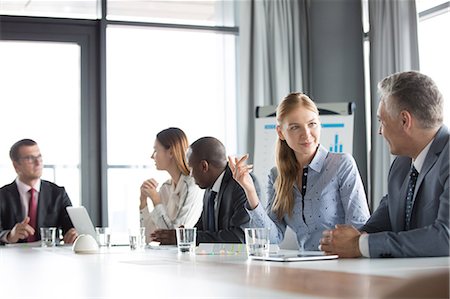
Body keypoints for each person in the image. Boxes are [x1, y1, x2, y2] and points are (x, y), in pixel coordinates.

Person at [319, 71, 449, 258]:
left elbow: (445, 239)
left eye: (382, 121)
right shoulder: (402, 165)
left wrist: (360, 245)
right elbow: (385, 218)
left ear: (405, 120)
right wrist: (352, 238)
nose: (380, 131)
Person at [229, 92, 370, 251]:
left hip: (343, 266)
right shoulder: (276, 176)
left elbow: (359, 227)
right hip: (304, 267)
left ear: (319, 123)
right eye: (295, 127)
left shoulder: (342, 164)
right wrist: (250, 191)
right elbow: (273, 237)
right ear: (280, 132)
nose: (306, 134)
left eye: (312, 124)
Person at [151, 137, 251, 244]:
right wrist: (184, 234)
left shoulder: (241, 184)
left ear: (204, 166)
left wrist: (186, 238)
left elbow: (240, 237)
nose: (190, 174)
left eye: (191, 169)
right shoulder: (210, 188)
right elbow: (202, 229)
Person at [0, 139, 78, 244]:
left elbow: (70, 226)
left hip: (49, 256)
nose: (38, 163)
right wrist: (9, 236)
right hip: (12, 257)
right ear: (16, 165)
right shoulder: (2, 196)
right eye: (30, 158)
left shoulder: (57, 193)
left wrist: (74, 233)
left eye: (39, 157)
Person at [139, 127, 203, 242]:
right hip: (168, 256)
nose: (152, 156)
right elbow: (148, 237)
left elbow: (177, 236)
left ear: (171, 152)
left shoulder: (191, 186)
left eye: (156, 150)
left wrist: (156, 201)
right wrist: (143, 203)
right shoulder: (166, 188)